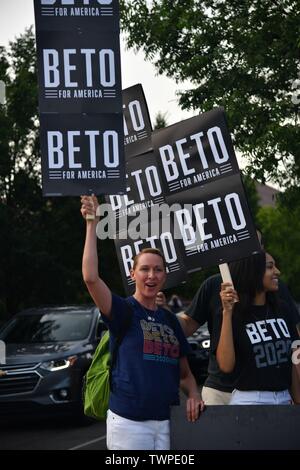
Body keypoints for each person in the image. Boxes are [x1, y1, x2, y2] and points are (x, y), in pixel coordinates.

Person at [80, 195, 204, 451]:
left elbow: (185, 374)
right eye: (145, 269)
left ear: (164, 275)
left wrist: (194, 393)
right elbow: (91, 278)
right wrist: (92, 224)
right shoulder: (124, 310)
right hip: (129, 424)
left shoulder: (170, 319)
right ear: (132, 273)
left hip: (168, 422)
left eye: (158, 270)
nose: (151, 275)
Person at [178, 231, 300, 405]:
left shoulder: (279, 298)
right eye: (246, 243)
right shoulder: (216, 290)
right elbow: (188, 324)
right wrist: (162, 317)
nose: (277, 272)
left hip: (279, 395)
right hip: (224, 390)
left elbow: (295, 347)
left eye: (257, 244)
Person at [216, 251, 300, 405]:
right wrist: (227, 313)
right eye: (270, 267)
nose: (277, 272)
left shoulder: (283, 309)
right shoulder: (232, 313)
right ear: (252, 272)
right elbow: (226, 366)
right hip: (250, 401)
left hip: (284, 399)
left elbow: (295, 357)